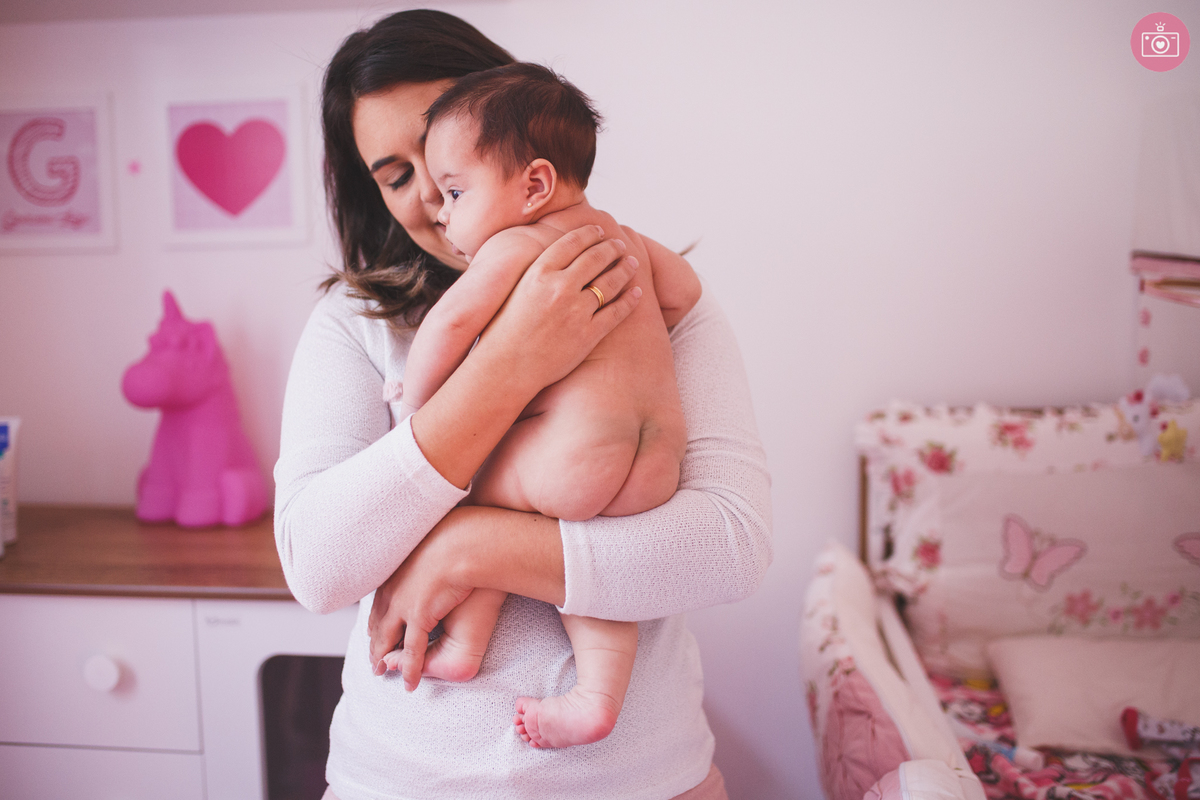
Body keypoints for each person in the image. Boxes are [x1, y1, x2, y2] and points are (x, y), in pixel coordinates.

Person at [274, 8, 771, 800]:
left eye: (444, 156)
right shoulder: (354, 325)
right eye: (398, 176)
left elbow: (732, 545)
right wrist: (508, 366)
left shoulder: (629, 286)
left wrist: (469, 543)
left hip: (644, 783)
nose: (434, 197)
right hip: (402, 780)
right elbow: (317, 566)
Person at [377, 62, 702, 750]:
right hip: (657, 467)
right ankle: (596, 697)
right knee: (596, 574)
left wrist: (419, 401)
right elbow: (684, 292)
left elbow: (449, 326)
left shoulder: (517, 244)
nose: (442, 211)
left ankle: (464, 644)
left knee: (473, 493)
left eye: (456, 190)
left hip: (570, 460)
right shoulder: (621, 239)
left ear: (535, 186)